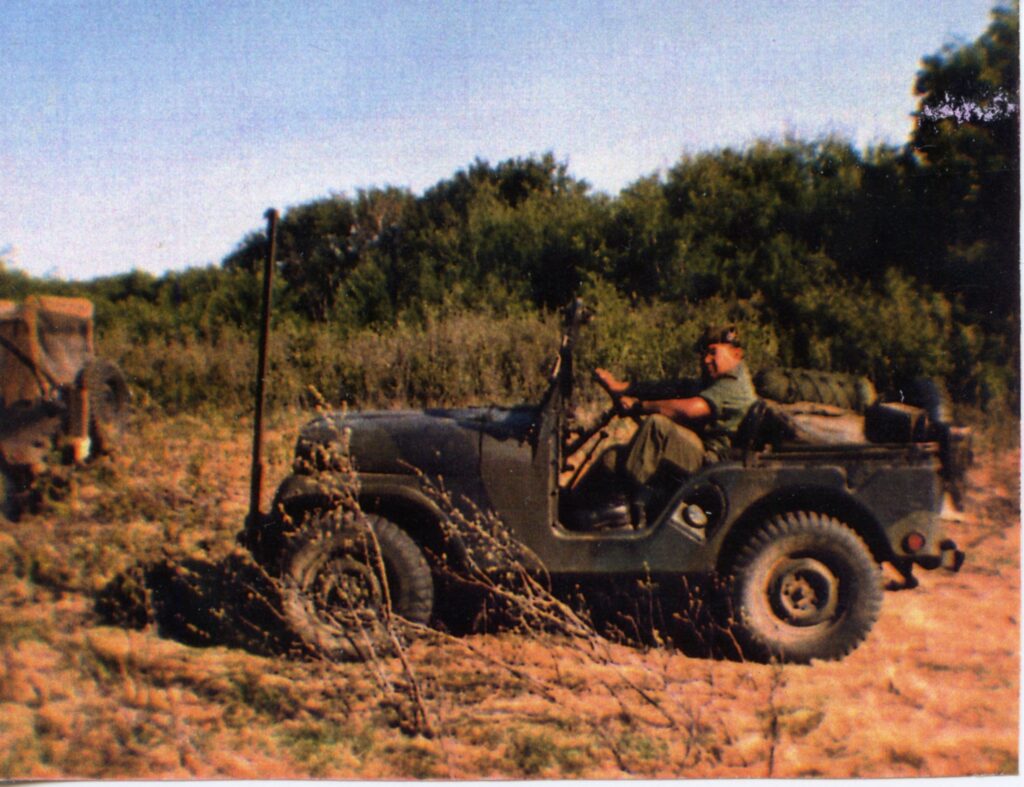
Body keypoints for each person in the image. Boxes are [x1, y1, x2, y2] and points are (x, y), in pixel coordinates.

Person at [574, 324, 758, 529]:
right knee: (613, 457)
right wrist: (623, 387)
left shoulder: (734, 384)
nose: (706, 360)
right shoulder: (713, 382)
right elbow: (670, 387)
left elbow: (692, 409)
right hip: (701, 452)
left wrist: (640, 406)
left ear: (737, 353)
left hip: (712, 461)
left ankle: (625, 509)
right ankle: (573, 510)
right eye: (704, 354)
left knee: (657, 426)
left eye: (713, 352)